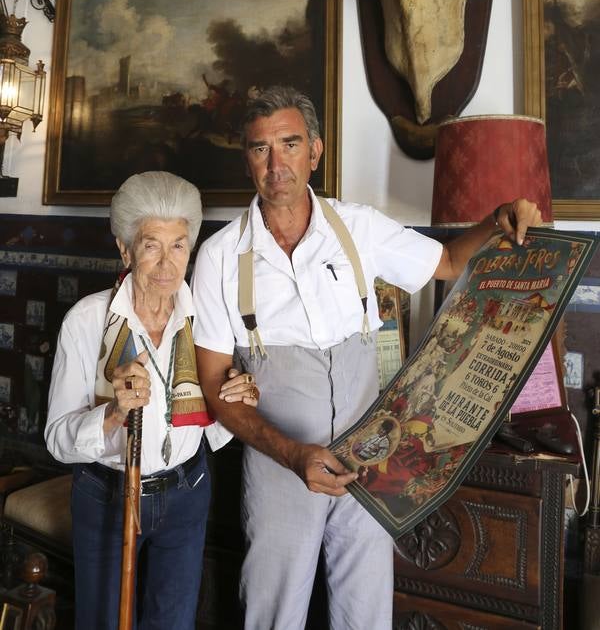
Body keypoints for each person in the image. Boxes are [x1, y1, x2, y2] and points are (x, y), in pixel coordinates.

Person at [191, 86, 542, 630]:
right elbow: (214, 384)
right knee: (272, 612)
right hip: (279, 466)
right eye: (260, 149)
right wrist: (291, 455)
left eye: (289, 144)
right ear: (247, 159)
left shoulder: (357, 227)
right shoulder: (216, 258)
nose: (276, 163)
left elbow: (447, 260)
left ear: (316, 151)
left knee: (366, 611)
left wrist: (496, 220)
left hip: (369, 458)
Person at [45, 171, 260, 630]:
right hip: (108, 494)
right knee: (104, 621)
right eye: (150, 245)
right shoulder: (86, 321)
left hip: (188, 489)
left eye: (179, 245)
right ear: (125, 249)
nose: (167, 263)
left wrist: (240, 392)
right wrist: (113, 413)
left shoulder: (206, 317)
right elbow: (57, 440)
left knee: (174, 622)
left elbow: (220, 412)